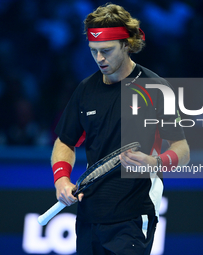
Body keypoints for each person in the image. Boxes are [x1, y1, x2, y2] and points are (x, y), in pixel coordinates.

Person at [50, 3, 190, 255]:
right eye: (94, 51)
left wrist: (155, 163)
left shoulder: (156, 87)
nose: (99, 59)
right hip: (89, 217)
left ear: (127, 44)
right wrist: (61, 179)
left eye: (106, 50)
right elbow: (65, 142)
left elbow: (182, 149)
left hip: (133, 218)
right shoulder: (85, 90)